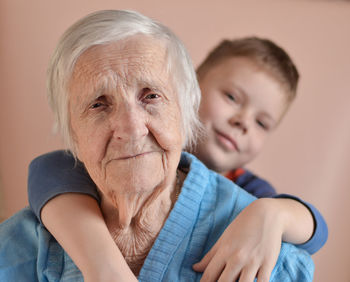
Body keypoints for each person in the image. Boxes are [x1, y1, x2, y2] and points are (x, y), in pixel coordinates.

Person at [0, 9, 314, 282]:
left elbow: (309, 230)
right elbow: (49, 169)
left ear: (184, 108)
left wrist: (272, 214)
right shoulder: (23, 245)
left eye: (151, 96)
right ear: (73, 134)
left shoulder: (262, 227)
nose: (131, 128)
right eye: (98, 104)